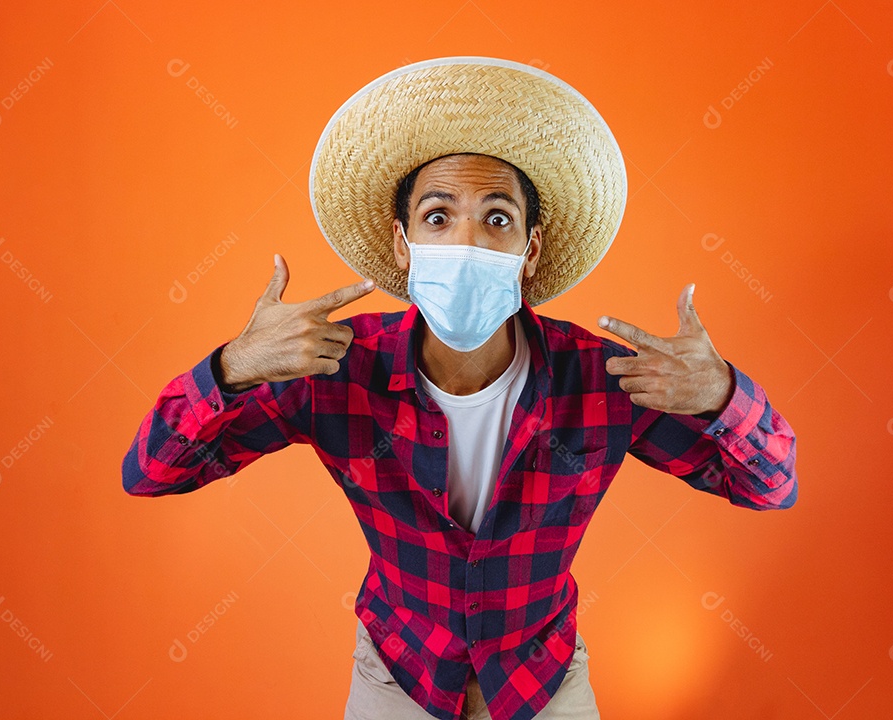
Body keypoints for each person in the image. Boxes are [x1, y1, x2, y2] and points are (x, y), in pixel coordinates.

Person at [122, 57, 798, 720]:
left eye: (497, 219)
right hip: (397, 676)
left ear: (530, 250)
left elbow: (770, 486)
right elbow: (150, 472)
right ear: (402, 244)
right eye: (438, 217)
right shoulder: (334, 368)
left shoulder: (604, 379)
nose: (466, 240)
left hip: (543, 683)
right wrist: (233, 366)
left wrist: (722, 395)